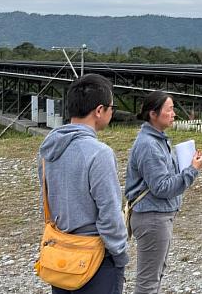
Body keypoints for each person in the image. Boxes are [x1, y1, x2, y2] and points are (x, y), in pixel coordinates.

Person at [37, 73, 128, 293]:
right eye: (111, 107)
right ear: (99, 111)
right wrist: (119, 253)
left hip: (61, 255)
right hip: (95, 258)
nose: (111, 112)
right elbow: (109, 212)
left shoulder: (47, 150)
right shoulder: (99, 153)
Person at [125, 91, 202, 294]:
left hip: (156, 215)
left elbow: (161, 178)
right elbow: (162, 188)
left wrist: (184, 164)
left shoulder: (156, 140)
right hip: (153, 218)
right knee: (148, 281)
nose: (174, 113)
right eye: (169, 109)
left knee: (154, 275)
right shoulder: (149, 145)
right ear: (153, 114)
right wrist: (192, 170)